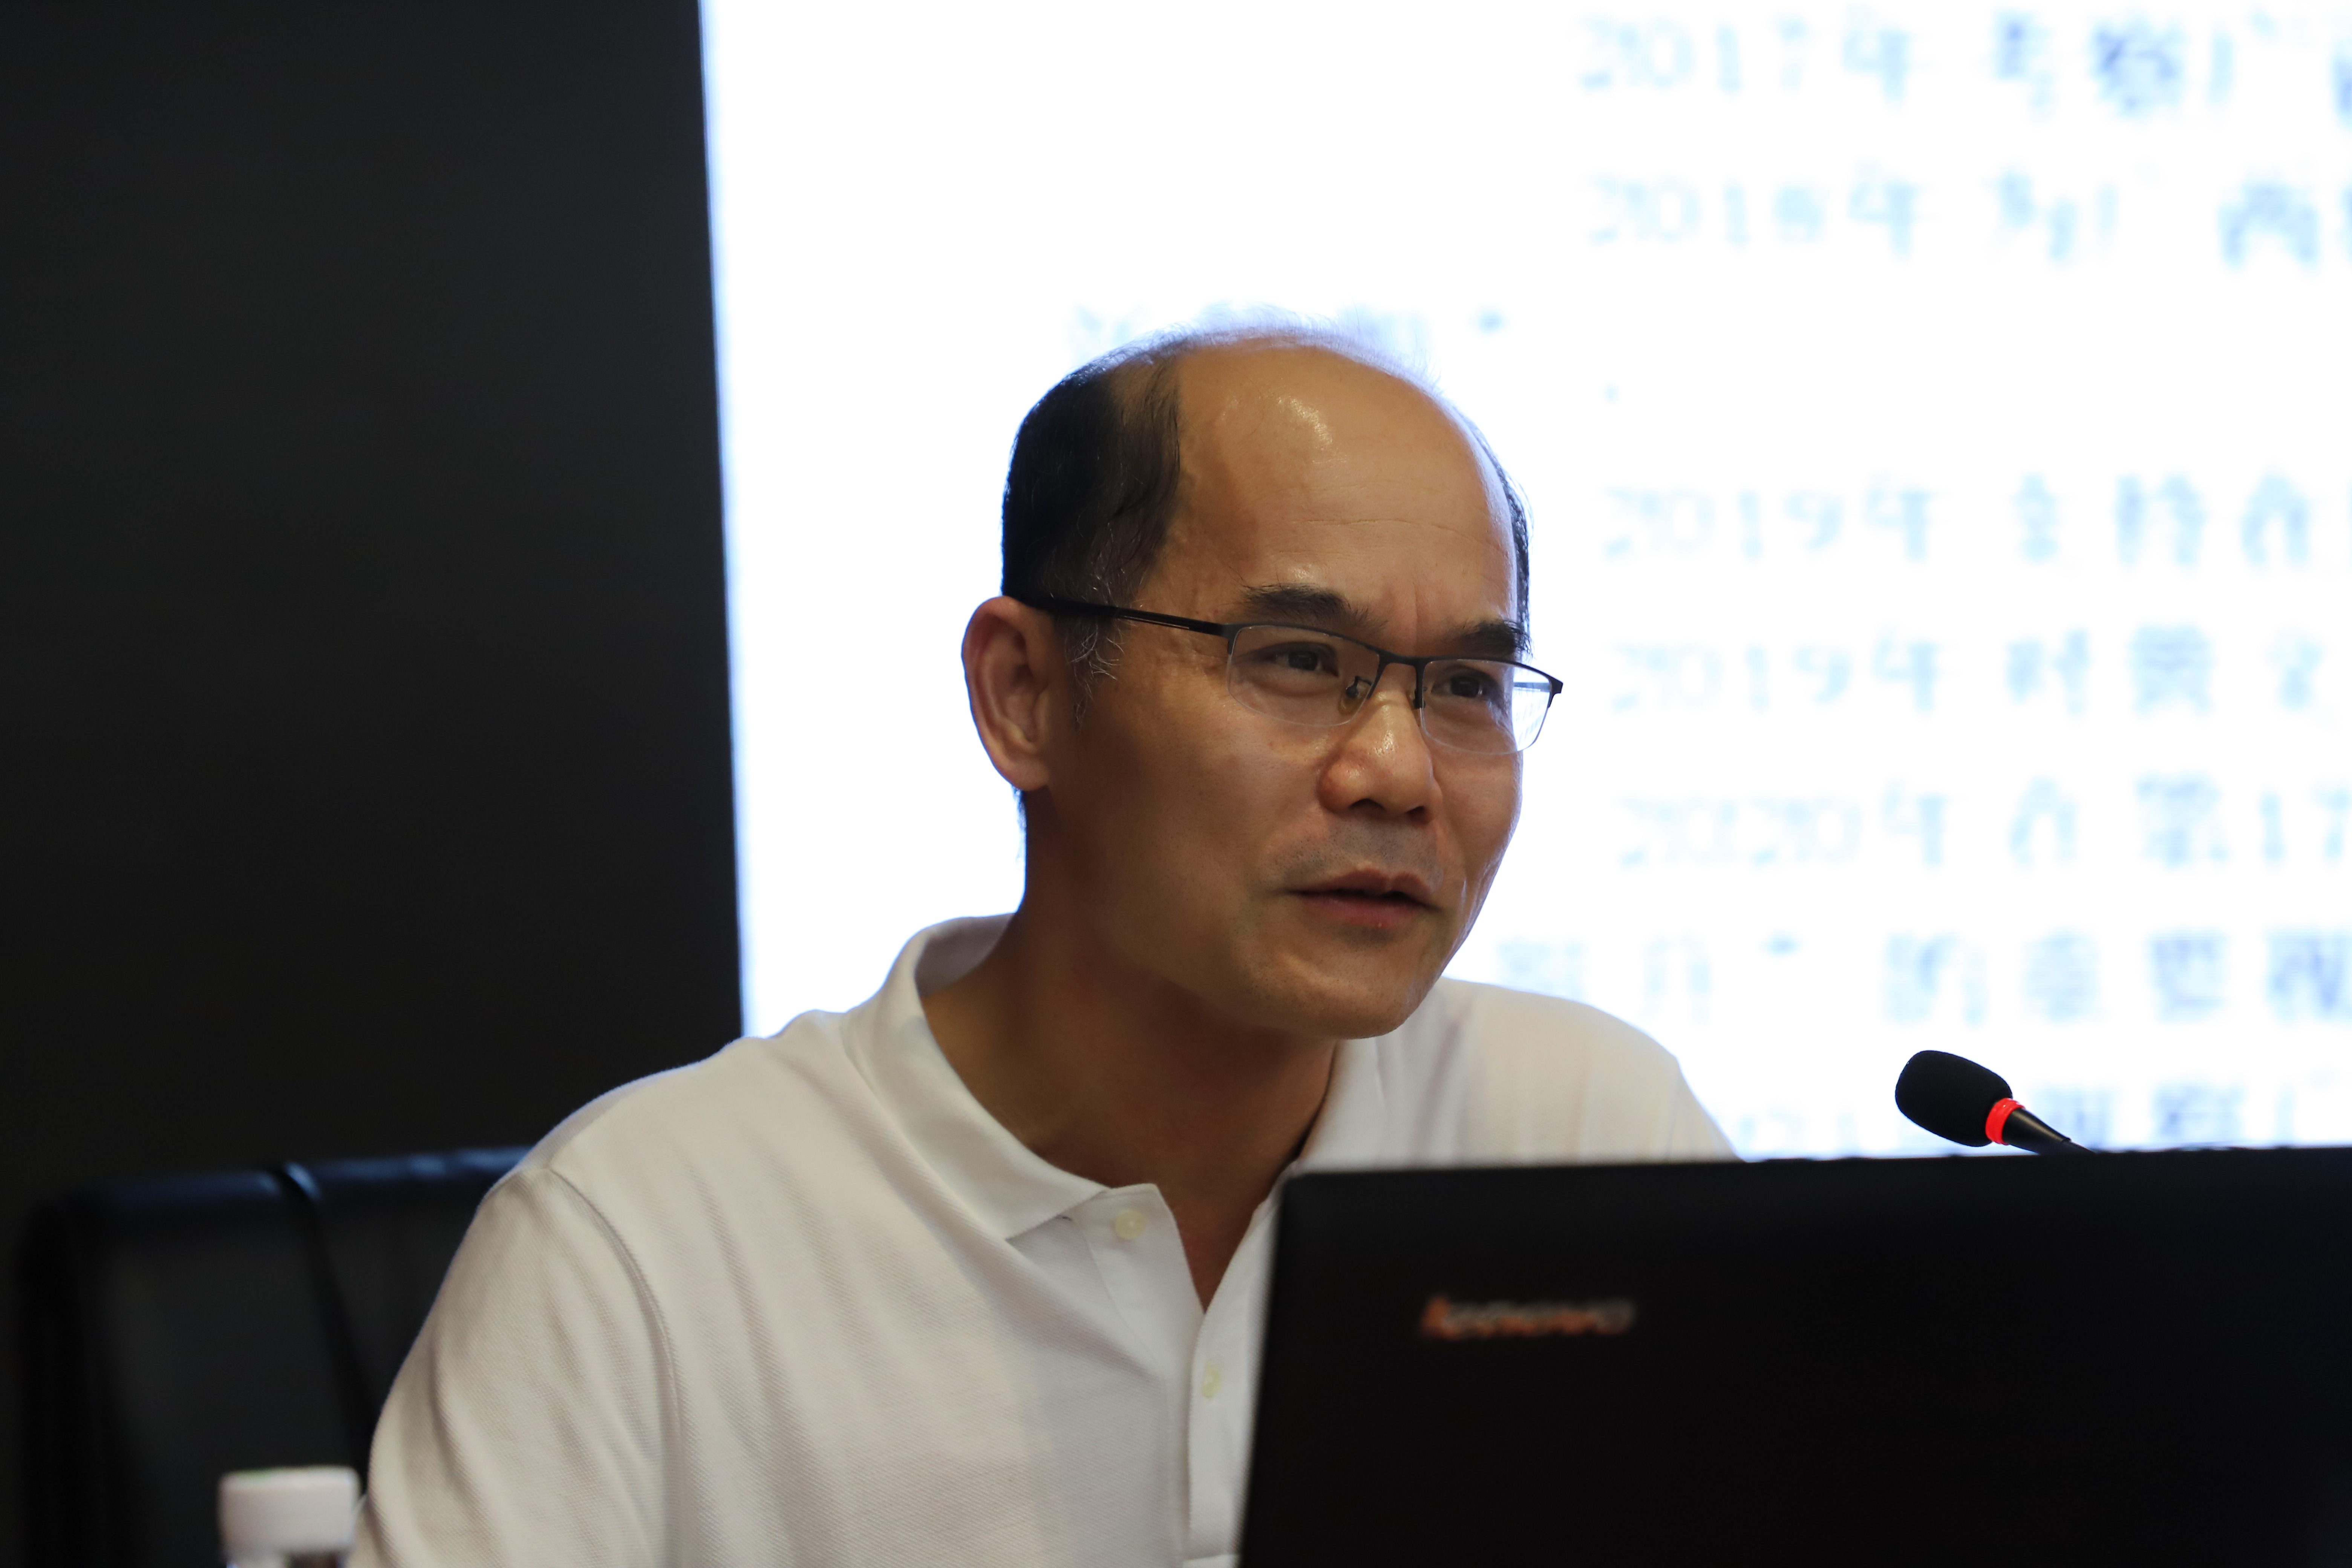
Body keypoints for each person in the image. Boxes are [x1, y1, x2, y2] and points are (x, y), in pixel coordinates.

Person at [353, 325, 1730, 1568]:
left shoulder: (1591, 1137)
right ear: (1023, 695)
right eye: (1299, 659)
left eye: (1469, 686)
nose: (1398, 771)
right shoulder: (645, 1245)